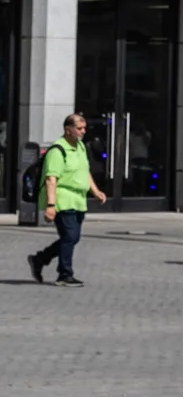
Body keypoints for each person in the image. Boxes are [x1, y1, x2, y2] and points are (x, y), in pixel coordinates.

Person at [27, 113, 106, 286]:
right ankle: (64, 274)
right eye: (79, 128)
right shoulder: (57, 150)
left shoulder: (80, 147)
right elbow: (51, 179)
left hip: (78, 199)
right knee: (70, 236)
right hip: (63, 199)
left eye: (84, 128)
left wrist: (95, 191)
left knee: (71, 237)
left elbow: (84, 171)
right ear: (67, 130)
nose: (83, 132)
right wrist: (50, 205)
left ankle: (40, 259)